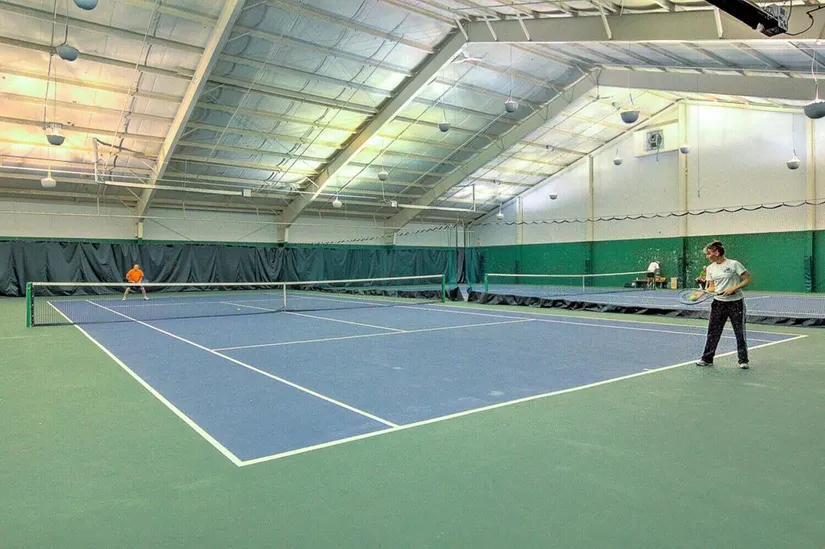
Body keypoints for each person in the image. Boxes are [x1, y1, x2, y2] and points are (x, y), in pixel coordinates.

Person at [696, 241, 751, 369]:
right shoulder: (710, 268)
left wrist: (733, 288)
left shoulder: (734, 264)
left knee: (739, 332)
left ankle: (743, 360)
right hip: (718, 304)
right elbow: (712, 287)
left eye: (708, 254)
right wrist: (702, 292)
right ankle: (707, 359)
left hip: (736, 303)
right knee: (713, 332)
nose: (707, 256)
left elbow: (748, 279)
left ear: (717, 252)